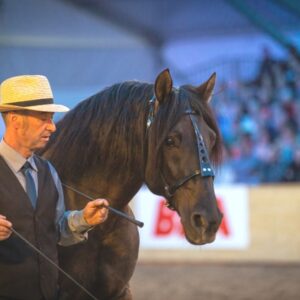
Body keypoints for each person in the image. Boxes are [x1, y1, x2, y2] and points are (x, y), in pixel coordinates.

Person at [0, 75, 109, 300]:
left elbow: (55, 230)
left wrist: (84, 220)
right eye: (44, 119)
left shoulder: (49, 171)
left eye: (51, 118)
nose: (52, 127)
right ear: (15, 120)